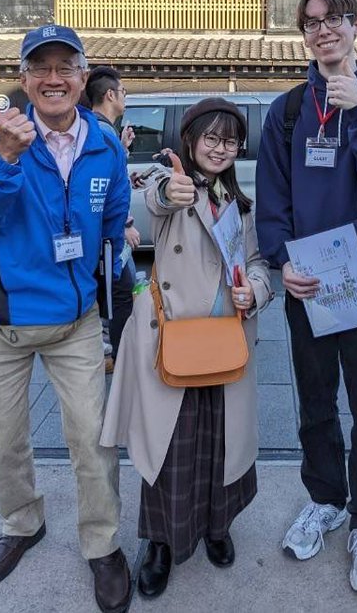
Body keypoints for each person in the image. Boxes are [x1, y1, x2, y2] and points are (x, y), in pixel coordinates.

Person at [0, 25, 133, 613]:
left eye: (66, 67)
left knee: (94, 438)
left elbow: (112, 224)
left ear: (83, 77)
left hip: (75, 318)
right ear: (24, 79)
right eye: (41, 68)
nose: (54, 79)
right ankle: (21, 523)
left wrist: (108, 296)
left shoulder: (106, 144)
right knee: (2, 438)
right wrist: (6, 158)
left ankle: (102, 543)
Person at [256, 0, 357, 598]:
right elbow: (273, 198)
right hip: (310, 281)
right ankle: (325, 498)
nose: (323, 29)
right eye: (311, 22)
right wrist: (281, 260)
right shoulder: (288, 110)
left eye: (335, 18)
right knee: (316, 402)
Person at [102, 97, 271, 598]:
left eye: (230, 141)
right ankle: (160, 543)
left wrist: (255, 290)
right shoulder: (173, 184)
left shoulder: (241, 206)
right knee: (171, 448)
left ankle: (218, 527)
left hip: (227, 340)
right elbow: (158, 195)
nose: (220, 149)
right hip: (174, 340)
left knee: (222, 442)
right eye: (211, 138)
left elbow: (259, 263)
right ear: (191, 142)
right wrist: (170, 189)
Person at [86, 66, 139, 373]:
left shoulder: (96, 130)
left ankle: (113, 353)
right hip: (109, 240)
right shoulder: (103, 135)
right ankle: (121, 359)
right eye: (123, 92)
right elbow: (102, 192)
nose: (124, 98)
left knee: (115, 293)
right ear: (110, 95)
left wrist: (123, 149)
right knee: (121, 296)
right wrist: (125, 226)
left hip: (103, 238)